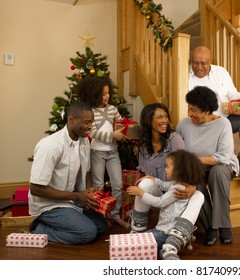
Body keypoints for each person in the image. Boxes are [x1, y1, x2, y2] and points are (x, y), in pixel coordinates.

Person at [28, 101, 108, 244]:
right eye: (87, 122)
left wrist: (88, 190)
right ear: (71, 120)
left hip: (71, 199)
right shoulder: (50, 146)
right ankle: (39, 228)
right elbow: (36, 189)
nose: (91, 126)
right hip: (49, 205)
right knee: (88, 233)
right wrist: (77, 196)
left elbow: (87, 171)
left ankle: (65, 222)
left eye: (92, 122)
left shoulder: (84, 142)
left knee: (101, 226)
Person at [176, 86, 239, 246]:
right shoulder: (184, 125)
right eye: (189, 108)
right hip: (197, 168)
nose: (190, 113)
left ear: (207, 110)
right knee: (192, 180)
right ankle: (211, 225)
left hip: (222, 165)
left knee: (217, 173)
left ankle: (224, 225)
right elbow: (178, 153)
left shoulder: (223, 124)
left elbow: (223, 157)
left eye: (194, 110)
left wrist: (193, 160)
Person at [189, 46, 240, 185]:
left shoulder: (221, 72)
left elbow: (232, 94)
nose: (199, 67)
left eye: (203, 63)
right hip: (203, 124)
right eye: (195, 63)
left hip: (225, 121)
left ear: (210, 63)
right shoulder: (184, 75)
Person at [129, 103, 200, 234]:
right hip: (158, 194)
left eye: (166, 117)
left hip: (175, 194)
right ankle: (138, 229)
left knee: (145, 185)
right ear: (149, 120)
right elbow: (142, 171)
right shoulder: (144, 145)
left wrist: (192, 187)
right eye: (159, 117)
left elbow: (186, 167)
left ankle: (140, 230)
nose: (164, 121)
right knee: (144, 183)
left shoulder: (174, 139)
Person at [127, 149, 205, 260]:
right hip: (162, 230)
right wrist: (155, 179)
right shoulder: (177, 185)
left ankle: (166, 250)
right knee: (145, 239)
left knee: (139, 240)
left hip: (165, 231)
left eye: (167, 167)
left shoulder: (177, 189)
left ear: (178, 170)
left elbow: (160, 202)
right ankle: (165, 252)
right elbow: (164, 185)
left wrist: (141, 193)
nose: (165, 169)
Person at [76, 76, 128, 227]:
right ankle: (100, 216)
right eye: (104, 94)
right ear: (95, 94)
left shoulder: (112, 109)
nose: (107, 96)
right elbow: (92, 133)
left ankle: (115, 214)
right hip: (97, 153)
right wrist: (113, 135)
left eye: (108, 93)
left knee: (117, 184)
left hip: (113, 153)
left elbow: (120, 123)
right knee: (98, 186)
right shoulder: (90, 112)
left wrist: (123, 130)